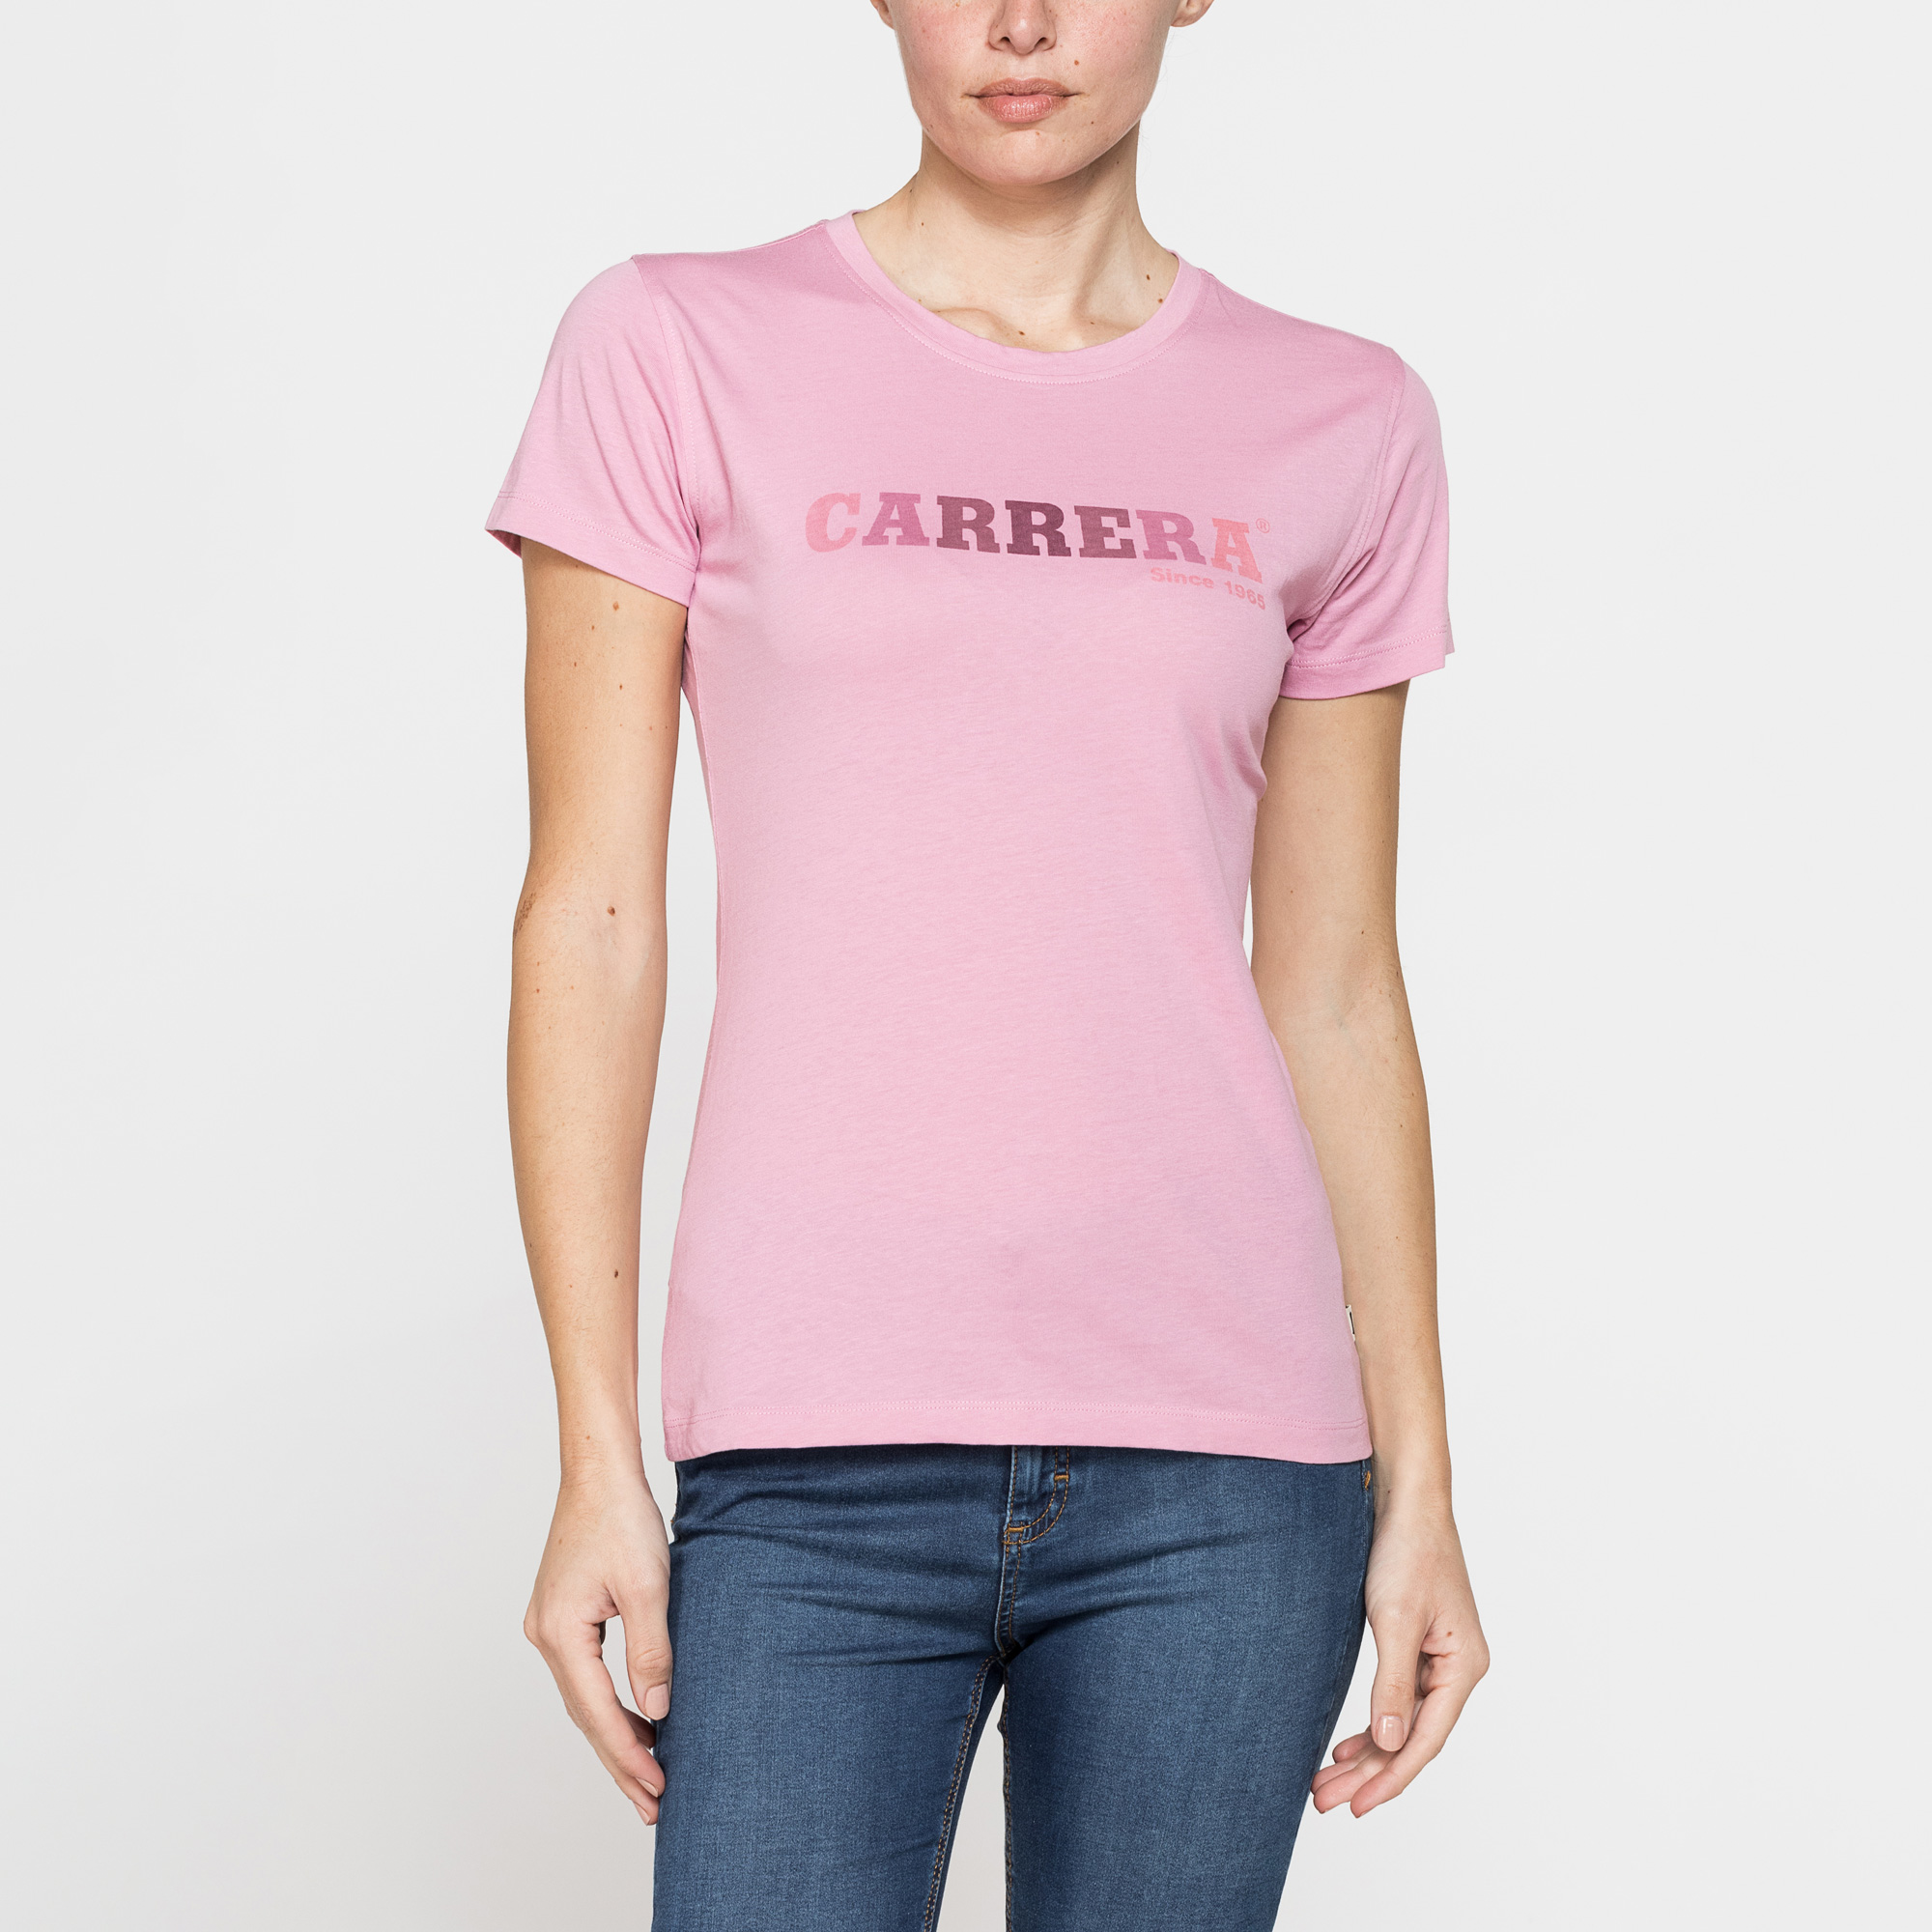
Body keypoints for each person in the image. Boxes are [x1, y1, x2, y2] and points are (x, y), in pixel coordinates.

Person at [489, 3, 1488, 1924]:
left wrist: (1422, 1476)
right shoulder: (674, 347)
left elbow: (1338, 981)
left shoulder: (1344, 417)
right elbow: (591, 918)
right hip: (812, 1453)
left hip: (1231, 1470)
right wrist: (594, 1449)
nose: (1019, 22)